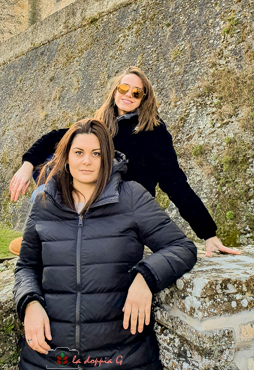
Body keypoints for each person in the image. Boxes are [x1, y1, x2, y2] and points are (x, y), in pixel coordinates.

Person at [13, 119, 197, 370]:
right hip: (48, 357)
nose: (86, 161)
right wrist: (30, 303)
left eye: (96, 153)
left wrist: (146, 277)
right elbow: (26, 265)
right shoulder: (44, 203)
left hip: (122, 358)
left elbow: (180, 246)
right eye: (78, 152)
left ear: (107, 158)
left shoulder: (132, 197)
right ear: (66, 158)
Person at [10, 66, 240, 258]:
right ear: (114, 91)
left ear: (144, 98)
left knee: (50, 187)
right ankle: (45, 238)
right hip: (97, 195)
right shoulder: (100, 124)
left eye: (136, 92)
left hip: (124, 204)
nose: (128, 95)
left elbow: (175, 182)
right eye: (123, 88)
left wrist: (208, 233)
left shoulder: (153, 132)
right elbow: (54, 138)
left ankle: (49, 241)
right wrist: (27, 165)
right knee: (48, 175)